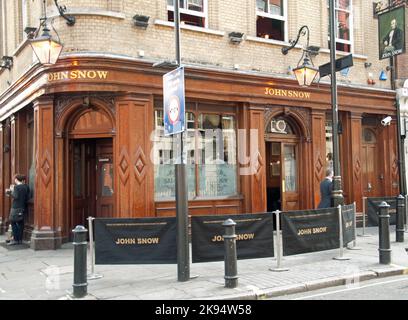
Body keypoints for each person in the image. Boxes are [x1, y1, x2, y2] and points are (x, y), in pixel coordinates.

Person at [5, 174, 30, 245]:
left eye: (14, 179)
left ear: (16, 179)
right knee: (21, 223)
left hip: (15, 207)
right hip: (23, 207)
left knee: (13, 222)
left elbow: (15, 196)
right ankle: (20, 239)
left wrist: (9, 192)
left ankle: (16, 240)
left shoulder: (16, 187)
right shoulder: (26, 186)